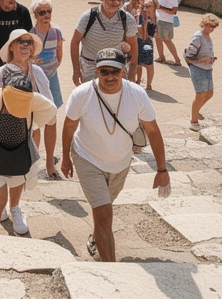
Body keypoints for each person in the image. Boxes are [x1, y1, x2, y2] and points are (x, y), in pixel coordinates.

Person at [61, 48, 169, 262]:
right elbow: (69, 126)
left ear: (124, 71)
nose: (110, 76)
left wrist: (162, 169)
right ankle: (112, 270)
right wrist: (65, 158)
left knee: (104, 209)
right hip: (87, 157)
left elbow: (153, 130)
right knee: (104, 213)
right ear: (97, 72)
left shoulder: (137, 95)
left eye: (115, 71)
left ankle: (96, 237)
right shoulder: (81, 94)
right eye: (104, 71)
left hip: (120, 162)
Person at [0, 65, 56, 235]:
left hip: (19, 153)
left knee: (16, 182)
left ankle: (15, 208)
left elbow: (50, 110)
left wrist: (33, 112)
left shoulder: (29, 98)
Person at [0, 30, 59, 179]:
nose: (25, 45)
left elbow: (50, 109)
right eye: (21, 41)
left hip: (30, 132)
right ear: (11, 47)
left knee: (22, 178)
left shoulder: (38, 73)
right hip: (2, 136)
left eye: (29, 42)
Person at [69, 0, 138, 86]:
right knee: (92, 94)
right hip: (91, 66)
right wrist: (76, 70)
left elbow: (133, 47)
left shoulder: (128, 19)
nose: (116, 2)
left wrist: (132, 75)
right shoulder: (87, 17)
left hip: (116, 65)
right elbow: (75, 42)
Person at [30, 0, 65, 177]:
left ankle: (50, 162)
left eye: (48, 11)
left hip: (51, 77)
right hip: (35, 79)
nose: (46, 15)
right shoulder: (29, 34)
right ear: (35, 14)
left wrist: (53, 66)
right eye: (41, 12)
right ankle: (34, 162)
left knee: (51, 119)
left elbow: (59, 51)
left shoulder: (56, 31)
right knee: (34, 122)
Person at [186, 14, 220, 131]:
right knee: (200, 95)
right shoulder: (197, 37)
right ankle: (194, 121)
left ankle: (196, 112)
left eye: (213, 27)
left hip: (207, 69)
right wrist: (204, 59)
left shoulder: (207, 36)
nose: (211, 29)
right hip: (198, 69)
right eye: (209, 26)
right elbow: (189, 56)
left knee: (209, 93)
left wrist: (210, 58)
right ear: (204, 24)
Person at [156, 0, 182, 66]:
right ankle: (161, 57)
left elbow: (174, 10)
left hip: (165, 21)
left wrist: (160, 7)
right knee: (159, 38)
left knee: (166, 40)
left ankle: (177, 60)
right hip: (162, 20)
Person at [133, 0, 157, 89]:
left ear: (154, 7)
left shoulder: (157, 16)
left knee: (149, 64)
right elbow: (140, 29)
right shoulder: (140, 16)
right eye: (145, 6)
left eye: (148, 6)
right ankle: (137, 82)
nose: (146, 8)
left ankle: (149, 85)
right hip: (139, 40)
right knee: (138, 63)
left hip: (148, 41)